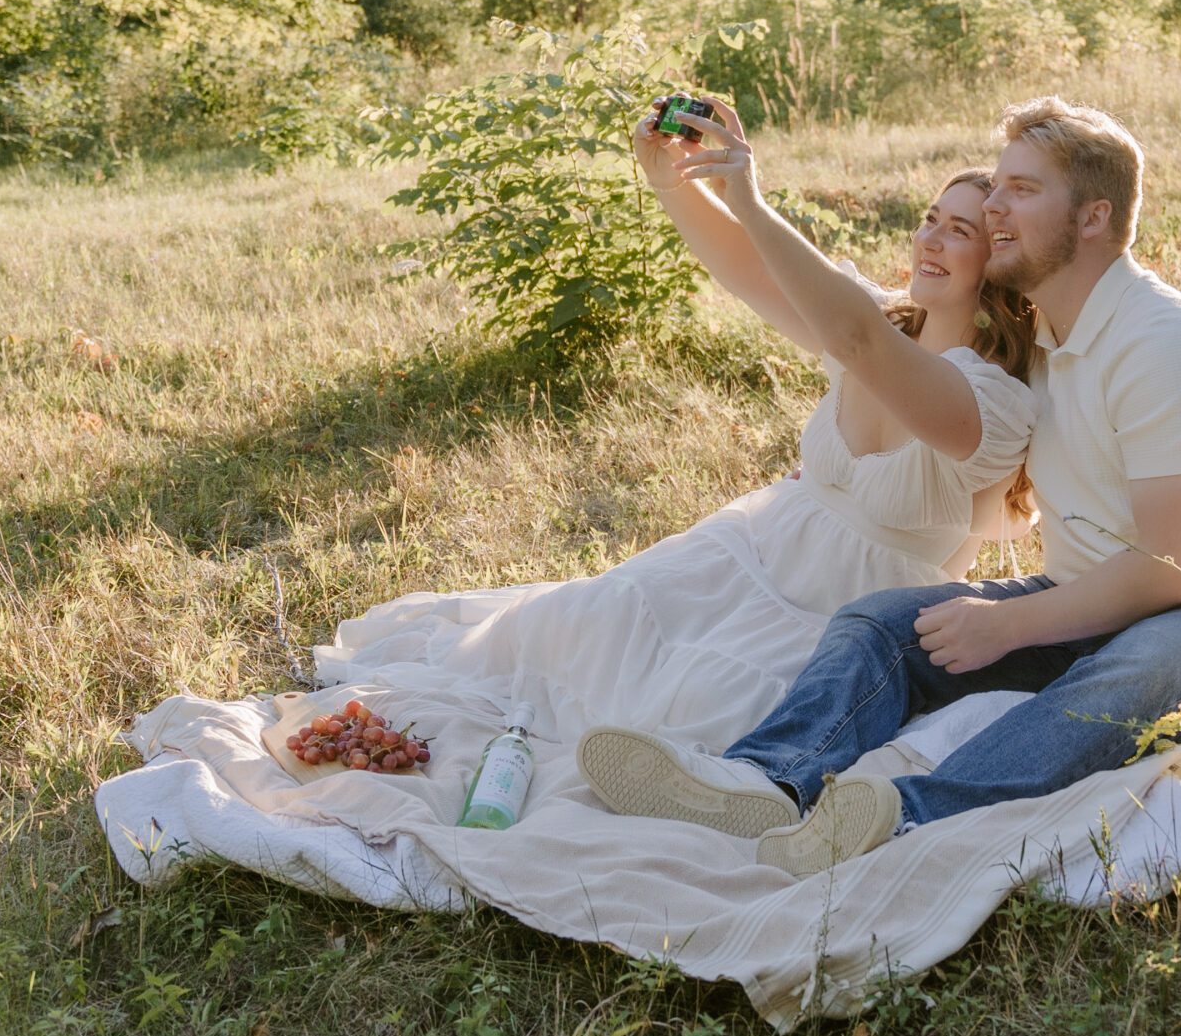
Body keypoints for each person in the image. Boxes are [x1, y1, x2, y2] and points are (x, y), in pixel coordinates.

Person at [579, 96, 1181, 875]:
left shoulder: (1162, 345)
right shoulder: (1044, 338)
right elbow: (838, 317)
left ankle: (909, 817)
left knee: (1133, 671)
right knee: (882, 622)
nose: (995, 207)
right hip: (1092, 596)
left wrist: (1010, 623)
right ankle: (764, 779)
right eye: (996, 189)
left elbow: (1175, 569)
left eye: (1021, 190)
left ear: (1094, 217)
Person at [307, 96, 1038, 795]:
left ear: (999, 263)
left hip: (841, 619)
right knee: (583, 623)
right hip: (756, 548)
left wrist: (749, 196)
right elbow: (753, 272)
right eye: (930, 218)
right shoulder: (885, 319)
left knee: (701, 706)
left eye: (959, 231)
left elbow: (858, 341)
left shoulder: (989, 398)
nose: (929, 239)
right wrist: (672, 179)